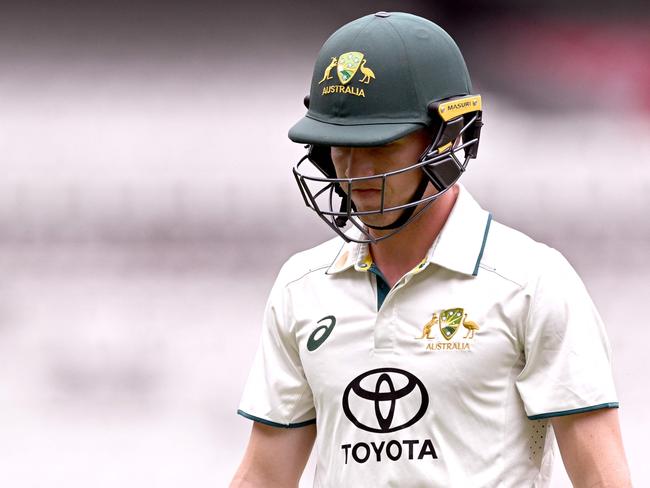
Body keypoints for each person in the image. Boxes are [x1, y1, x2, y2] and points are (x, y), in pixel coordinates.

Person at [230, 12, 631, 487]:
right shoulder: (302, 287)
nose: (354, 171)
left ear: (448, 137)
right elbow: (264, 475)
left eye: (379, 145)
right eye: (338, 144)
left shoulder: (532, 283)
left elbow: (603, 480)